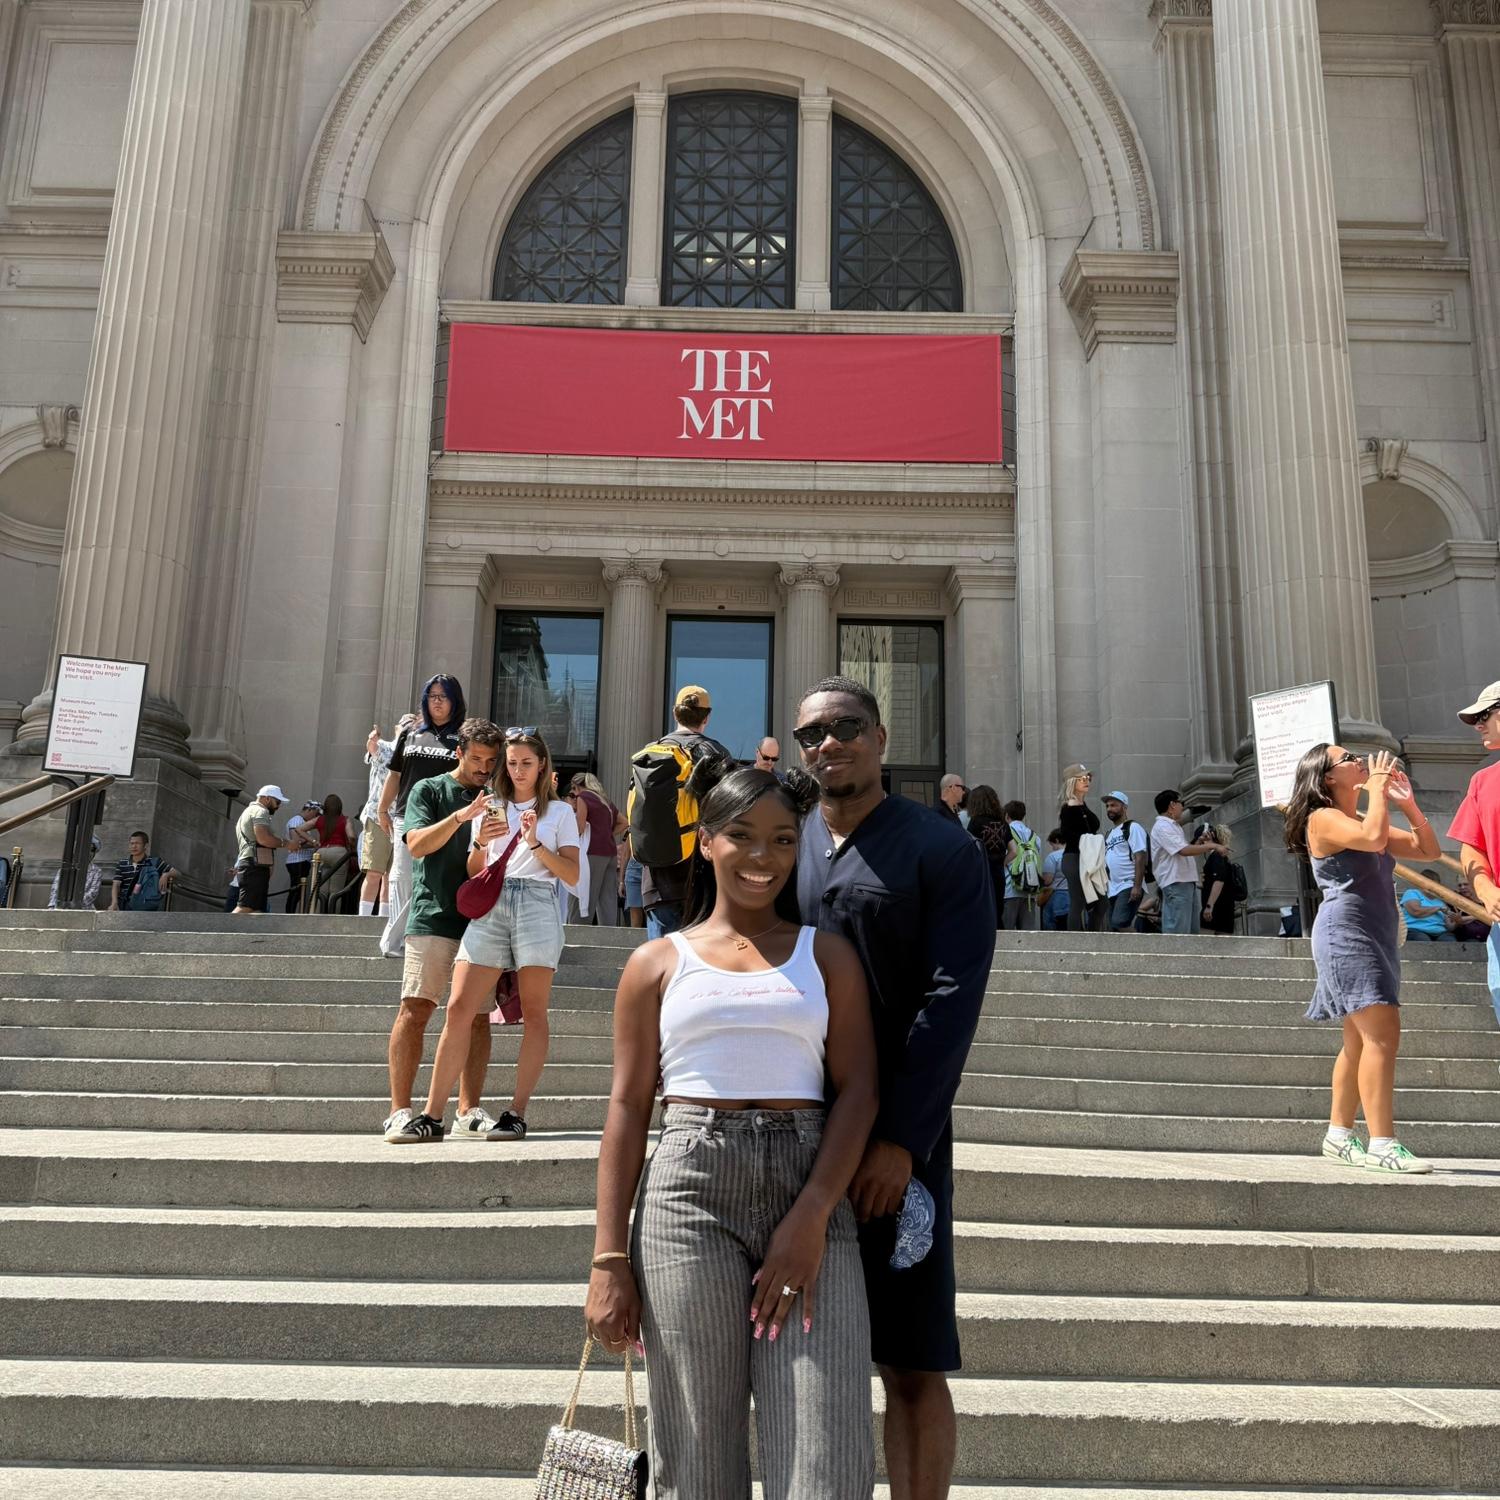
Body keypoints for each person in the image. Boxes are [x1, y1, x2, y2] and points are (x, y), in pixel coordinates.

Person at [586, 760, 879, 1498]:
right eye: (742, 836)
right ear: (707, 840)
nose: (762, 856)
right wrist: (608, 1258)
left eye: (782, 839)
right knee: (695, 1456)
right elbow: (627, 1108)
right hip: (688, 1196)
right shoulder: (655, 962)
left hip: (808, 1184)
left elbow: (859, 1091)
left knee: (826, 1450)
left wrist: (813, 1213)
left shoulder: (827, 954)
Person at [793, 675, 996, 1500]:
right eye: (811, 734)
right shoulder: (783, 843)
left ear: (880, 739)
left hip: (895, 1149)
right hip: (789, 1134)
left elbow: (952, 1002)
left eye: (846, 727)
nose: (828, 743)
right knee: (791, 1351)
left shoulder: (940, 849)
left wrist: (902, 1140)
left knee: (909, 1360)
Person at [390, 727, 579, 1143]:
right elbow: (476, 870)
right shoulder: (492, 804)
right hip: (493, 902)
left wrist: (534, 844)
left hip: (537, 902)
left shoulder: (561, 812)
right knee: (459, 1007)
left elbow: (571, 873)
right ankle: (432, 1115)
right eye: (511, 763)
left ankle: (516, 1112)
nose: (518, 770)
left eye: (526, 762)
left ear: (542, 765)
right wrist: (479, 842)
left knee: (534, 1012)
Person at [1284, 743, 1439, 1173]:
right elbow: (1373, 838)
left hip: (1374, 934)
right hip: (1347, 934)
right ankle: (1383, 1144)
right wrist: (1376, 789)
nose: (1359, 761)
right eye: (1348, 758)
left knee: (1358, 1042)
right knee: (1383, 1035)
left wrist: (1408, 806)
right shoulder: (1323, 818)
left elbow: (1427, 851)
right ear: (1327, 777)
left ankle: (1338, 1135)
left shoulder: (1361, 819)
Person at [382, 718, 504, 1142]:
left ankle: (468, 1111)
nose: (484, 768)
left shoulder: (499, 797)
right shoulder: (429, 790)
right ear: (459, 753)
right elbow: (416, 845)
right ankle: (399, 1111)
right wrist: (460, 817)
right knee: (415, 1009)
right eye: (476, 759)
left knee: (479, 1018)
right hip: (433, 914)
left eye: (491, 761)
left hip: (483, 921)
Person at [377, 676, 465, 958]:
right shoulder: (410, 732)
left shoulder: (463, 737)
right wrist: (382, 808)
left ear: (455, 700)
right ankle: (395, 943)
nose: (437, 701)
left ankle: (418, 936)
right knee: (402, 877)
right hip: (408, 816)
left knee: (434, 878)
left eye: (443, 696)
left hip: (446, 820)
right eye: (432, 696)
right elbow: (395, 775)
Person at [637, 685, 730, 939]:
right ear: (706, 717)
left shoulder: (650, 754)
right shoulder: (716, 753)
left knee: (664, 960)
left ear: (674, 713)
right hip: (703, 883)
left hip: (657, 882)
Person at [1451, 681, 1500, 1024]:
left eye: (1484, 716)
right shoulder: (1482, 781)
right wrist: (1485, 889)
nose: (1477, 725)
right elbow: (1471, 847)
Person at [359, 716, 414, 917]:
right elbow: (373, 748)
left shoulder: (414, 755)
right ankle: (364, 919)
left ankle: (384, 919)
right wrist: (372, 739)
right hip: (377, 817)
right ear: (398, 728)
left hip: (400, 819)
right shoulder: (385, 747)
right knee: (374, 871)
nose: (409, 731)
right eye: (406, 727)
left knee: (391, 876)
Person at [1150, 791, 1224, 935]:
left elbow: (1184, 850)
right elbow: (1183, 851)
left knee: (1191, 931)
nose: (1183, 807)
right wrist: (1213, 845)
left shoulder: (1173, 826)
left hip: (1185, 882)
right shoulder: (1162, 826)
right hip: (1176, 883)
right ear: (1172, 805)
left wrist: (1199, 843)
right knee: (1179, 931)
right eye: (1181, 803)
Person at [568, 772, 624, 927]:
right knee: (607, 899)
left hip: (592, 853)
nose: (574, 794)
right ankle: (609, 933)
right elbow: (624, 822)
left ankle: (578, 931)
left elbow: (579, 828)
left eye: (573, 790)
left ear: (576, 786)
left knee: (586, 894)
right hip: (610, 853)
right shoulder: (605, 800)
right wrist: (606, 834)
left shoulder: (583, 797)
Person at [233, 787, 293, 915]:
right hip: (254, 866)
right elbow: (264, 839)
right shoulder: (260, 811)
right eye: (277, 802)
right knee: (246, 907)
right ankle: (221, 928)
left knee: (256, 911)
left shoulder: (249, 811)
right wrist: (287, 844)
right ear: (267, 798)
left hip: (252, 865)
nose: (278, 806)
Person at [1057, 764, 1100, 931]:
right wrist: (1090, 841)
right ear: (1072, 782)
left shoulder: (1082, 805)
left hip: (1087, 858)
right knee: (1078, 901)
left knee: (1100, 901)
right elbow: (1067, 835)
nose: (1087, 781)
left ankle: (1094, 935)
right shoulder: (1069, 808)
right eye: (1082, 778)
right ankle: (1076, 939)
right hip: (1074, 858)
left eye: (1088, 778)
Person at [1101, 793, 1147, 933]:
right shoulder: (1109, 833)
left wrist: (1137, 886)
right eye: (1107, 806)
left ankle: (1144, 945)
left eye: (1113, 805)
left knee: (1119, 922)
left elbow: (1140, 856)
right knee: (1112, 927)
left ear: (1124, 807)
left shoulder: (1133, 827)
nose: (1109, 809)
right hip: (1113, 887)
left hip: (1129, 884)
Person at [964, 784, 1009, 925]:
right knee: (997, 910)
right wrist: (1002, 862)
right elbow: (1014, 850)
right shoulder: (1003, 823)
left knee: (981, 910)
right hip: (998, 872)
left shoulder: (975, 822)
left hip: (981, 872)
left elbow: (970, 847)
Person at [109, 831, 176, 912]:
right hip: (125, 906)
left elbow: (176, 873)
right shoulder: (122, 863)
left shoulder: (154, 862)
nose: (134, 846)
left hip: (147, 906)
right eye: (131, 843)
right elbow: (116, 884)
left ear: (145, 845)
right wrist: (114, 902)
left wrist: (166, 875)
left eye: (137, 843)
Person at [1000, 801, 1040, 930]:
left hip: (1009, 888)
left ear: (1006, 815)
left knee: (1006, 933)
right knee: (1028, 935)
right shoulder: (1034, 836)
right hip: (1029, 890)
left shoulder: (1005, 832)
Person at [1199, 823, 1238, 937]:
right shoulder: (1222, 857)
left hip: (1215, 908)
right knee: (1223, 942)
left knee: (1205, 941)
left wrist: (1209, 906)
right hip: (1225, 907)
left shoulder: (1216, 856)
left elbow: (1219, 881)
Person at [283, 801, 319, 914]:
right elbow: (297, 842)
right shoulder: (297, 820)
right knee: (295, 892)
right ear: (309, 810)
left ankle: (292, 914)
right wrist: (314, 843)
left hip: (301, 861)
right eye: (315, 813)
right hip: (297, 861)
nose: (316, 817)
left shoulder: (301, 821)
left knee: (298, 892)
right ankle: (289, 915)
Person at [1400, 872, 1458, 942]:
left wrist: (1457, 921)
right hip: (1415, 930)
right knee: (1423, 939)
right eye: (1427, 883)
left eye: (1434, 884)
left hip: (1440, 933)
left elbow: (1449, 927)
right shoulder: (1412, 893)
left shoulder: (1441, 902)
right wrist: (1437, 908)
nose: (1431, 887)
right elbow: (1415, 911)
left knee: (1450, 940)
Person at [51, 835, 103, 910]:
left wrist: (73, 904)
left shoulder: (96, 871)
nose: (89, 853)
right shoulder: (65, 868)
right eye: (86, 849)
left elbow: (93, 893)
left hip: (84, 909)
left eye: (92, 850)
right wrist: (52, 906)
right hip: (61, 908)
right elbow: (55, 889)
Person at [1039, 828, 1070, 931]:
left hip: (1057, 897)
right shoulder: (1075, 855)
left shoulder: (1053, 857)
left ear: (1057, 840)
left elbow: (1048, 880)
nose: (1052, 848)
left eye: (1052, 844)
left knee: (1052, 927)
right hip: (1073, 896)